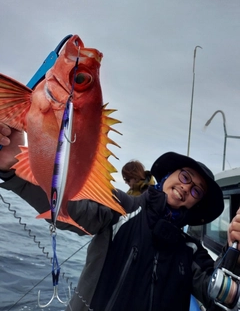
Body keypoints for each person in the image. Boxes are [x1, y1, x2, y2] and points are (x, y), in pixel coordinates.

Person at [1, 123, 240, 311]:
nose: (187, 188)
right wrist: (15, 167)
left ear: (195, 203)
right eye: (186, 177)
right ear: (168, 175)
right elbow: (71, 205)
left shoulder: (191, 250)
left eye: (197, 191)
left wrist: (233, 251)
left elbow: (218, 294)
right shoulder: (120, 208)